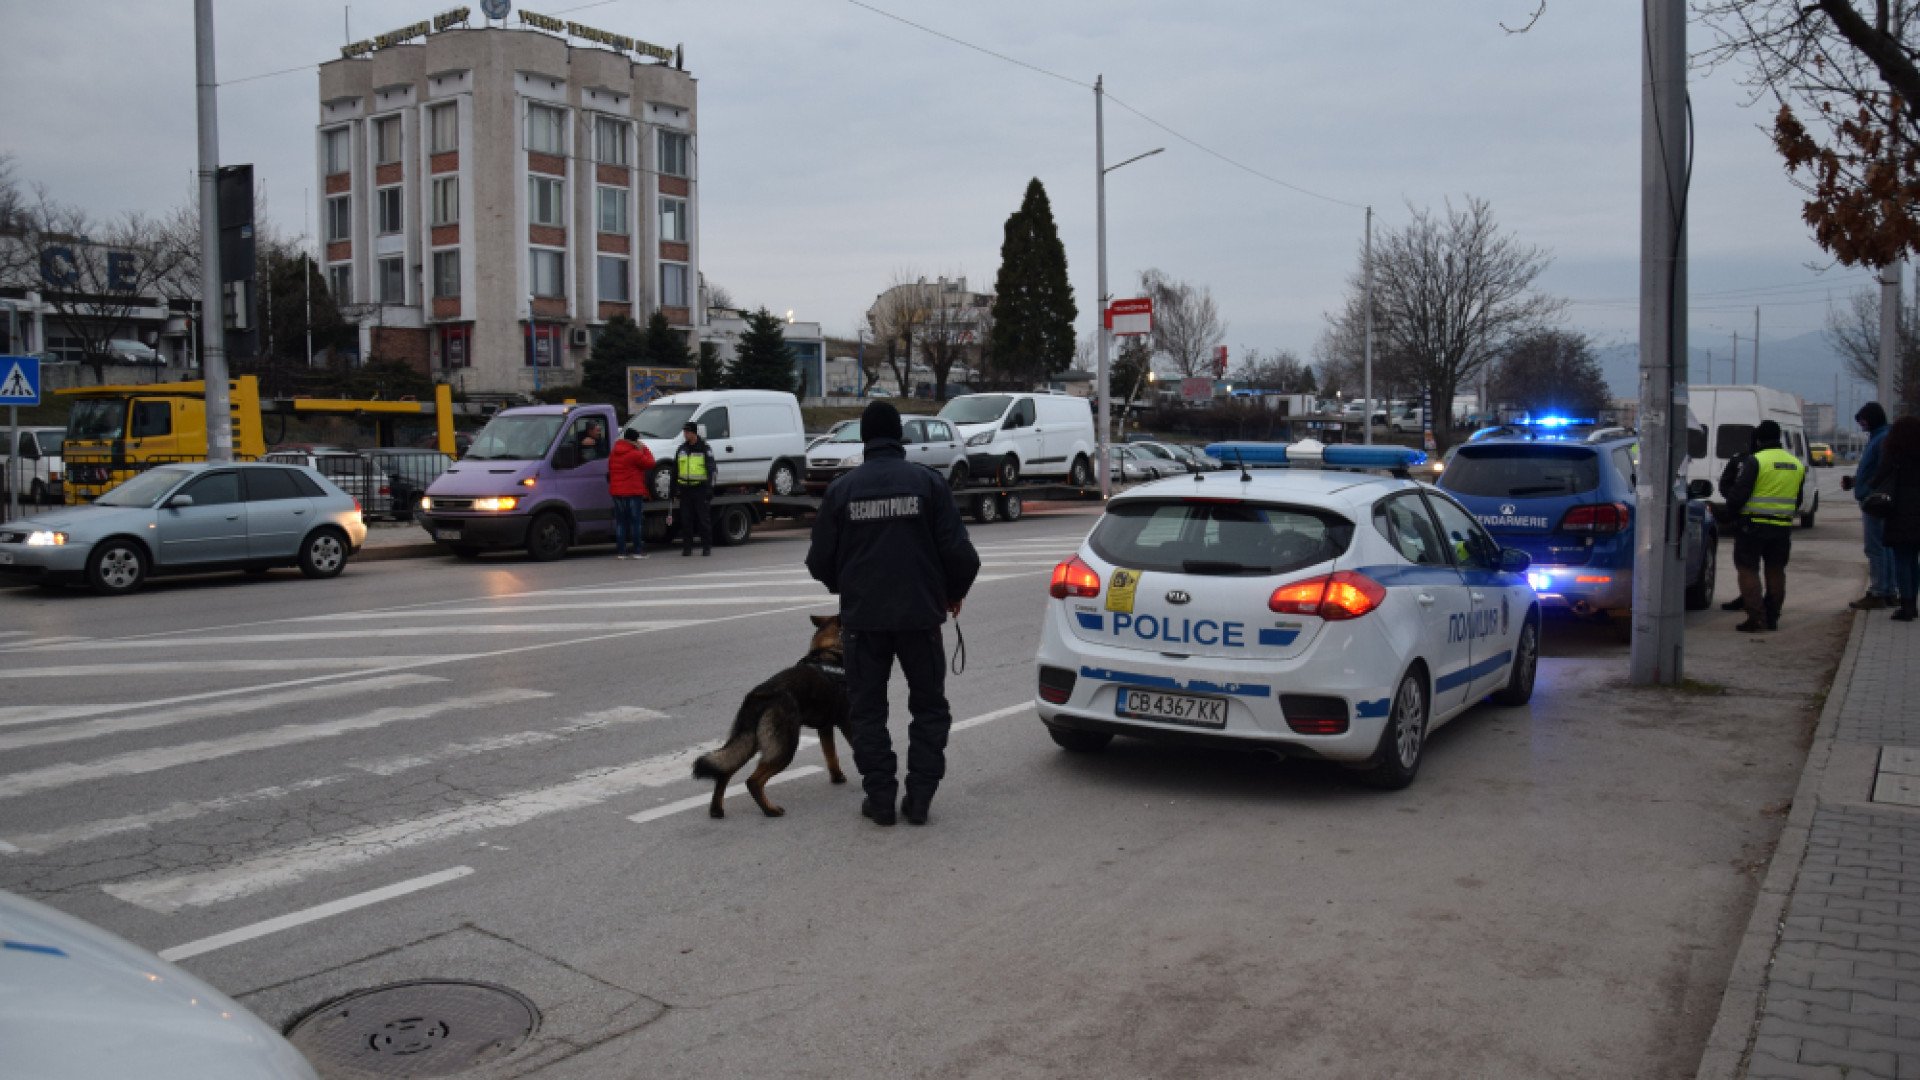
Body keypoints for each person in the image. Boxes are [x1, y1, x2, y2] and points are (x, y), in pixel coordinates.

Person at [806, 400, 981, 827]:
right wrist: (952, 592)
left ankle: (881, 798)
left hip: (864, 622)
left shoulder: (842, 490)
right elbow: (961, 554)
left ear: (864, 439)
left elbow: (818, 561)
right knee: (929, 708)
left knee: (867, 712)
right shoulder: (928, 484)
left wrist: (847, 587)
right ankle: (919, 797)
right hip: (920, 618)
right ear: (898, 437)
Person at [1722, 419, 1807, 633]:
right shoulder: (1796, 464)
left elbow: (1739, 494)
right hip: (1781, 528)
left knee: (1748, 569)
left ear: (1759, 439)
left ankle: (1756, 618)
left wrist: (1728, 514)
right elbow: (1797, 500)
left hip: (1752, 526)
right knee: (1776, 571)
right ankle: (1773, 617)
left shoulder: (1755, 461)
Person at [1843, 402, 1896, 609]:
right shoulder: (1879, 438)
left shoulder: (1881, 439)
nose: (1861, 425)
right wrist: (1856, 481)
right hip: (1875, 498)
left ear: (1872, 419)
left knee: (1875, 548)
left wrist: (1869, 489)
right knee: (1885, 547)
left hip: (1875, 502)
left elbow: (1882, 471)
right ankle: (1889, 590)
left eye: (1863, 421)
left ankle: (1879, 591)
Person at [1873, 415, 1920, 622]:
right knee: (1914, 561)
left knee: (1902, 558)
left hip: (1900, 511)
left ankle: (1906, 605)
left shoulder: (1894, 452)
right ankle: (1913, 603)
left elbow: (1879, 477)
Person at [608, 426, 655, 560]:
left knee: (621, 523)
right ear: (634, 440)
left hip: (617, 492)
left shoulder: (614, 452)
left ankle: (621, 552)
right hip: (633, 491)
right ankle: (637, 551)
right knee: (635, 522)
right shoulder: (634, 454)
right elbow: (650, 463)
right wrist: (644, 449)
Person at [672, 420, 716, 557]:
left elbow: (712, 471)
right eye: (684, 432)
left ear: (694, 433)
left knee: (703, 520)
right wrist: (672, 490)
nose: (685, 434)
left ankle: (706, 547)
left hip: (700, 489)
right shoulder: (682, 449)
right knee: (686, 520)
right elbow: (675, 470)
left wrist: (709, 490)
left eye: (687, 432)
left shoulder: (704, 448)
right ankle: (687, 548)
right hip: (685, 490)